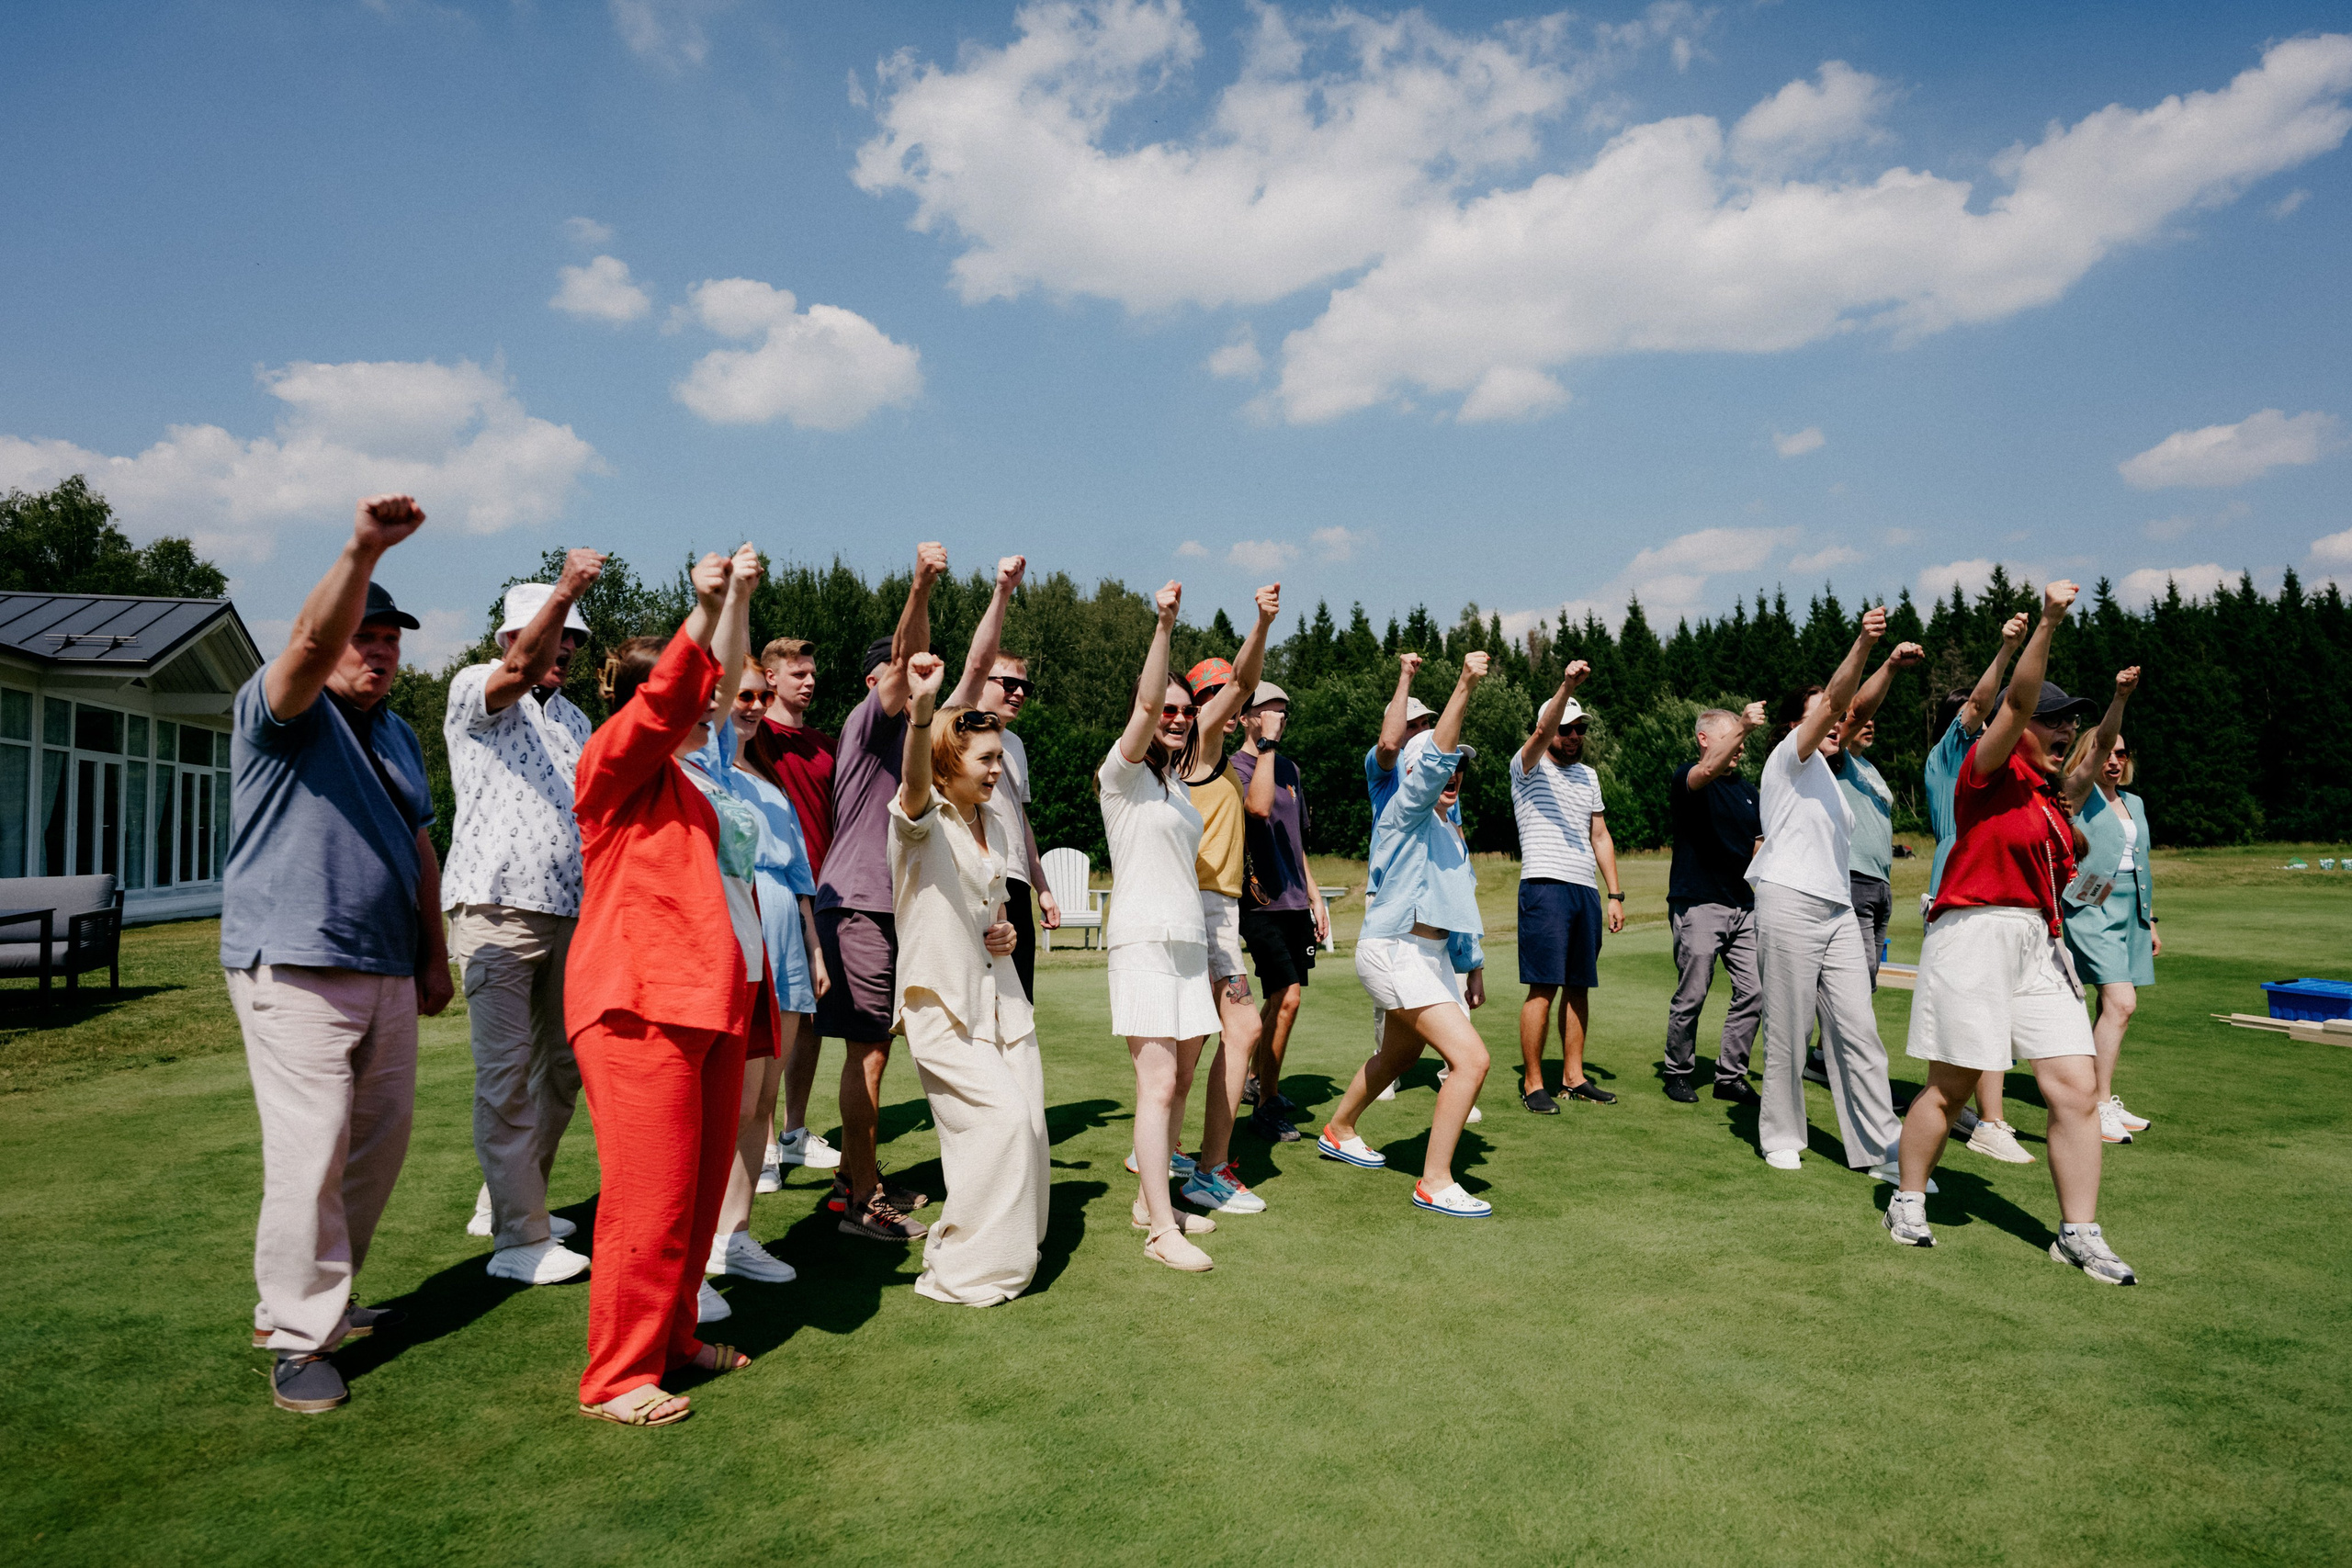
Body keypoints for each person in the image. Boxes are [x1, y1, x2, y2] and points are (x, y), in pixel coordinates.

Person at [225, 494, 452, 1416]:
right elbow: (312, 649)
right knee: (312, 1150)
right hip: (295, 963)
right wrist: (362, 551)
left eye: (391, 636)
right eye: (365, 633)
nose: (379, 649)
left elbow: (422, 845)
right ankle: (297, 1335)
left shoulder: (397, 731)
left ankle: (323, 1299)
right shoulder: (282, 705)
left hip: (386, 967)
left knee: (375, 1150)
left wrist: (432, 956)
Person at [567, 543, 770, 1426]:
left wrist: (735, 603)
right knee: (646, 1202)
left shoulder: (699, 782)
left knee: (689, 1197)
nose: (703, 712)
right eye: (684, 701)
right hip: (636, 1005)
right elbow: (673, 697)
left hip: (712, 1005)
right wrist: (702, 610)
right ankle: (616, 1376)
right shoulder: (610, 768)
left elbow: (711, 690)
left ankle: (675, 1339)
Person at [1889, 581, 2137, 1285]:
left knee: (2075, 1089)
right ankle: (1908, 1199)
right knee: (1951, 1090)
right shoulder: (1985, 771)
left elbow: (2097, 753)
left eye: (2070, 722)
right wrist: (2050, 621)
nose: (2064, 730)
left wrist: (2113, 706)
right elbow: (2020, 700)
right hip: (1971, 932)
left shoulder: (2052, 796)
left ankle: (2078, 1232)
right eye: (2054, 721)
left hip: (2038, 940)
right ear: (2016, 724)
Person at [817, 548, 1021, 1240]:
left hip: (900, 905)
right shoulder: (873, 722)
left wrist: (1001, 592)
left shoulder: (929, 730)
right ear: (881, 677)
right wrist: (921, 584)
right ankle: (856, 1198)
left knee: (885, 1048)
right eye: (906, 671)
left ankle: (856, 1176)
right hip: (863, 900)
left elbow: (976, 666)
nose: (922, 678)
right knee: (869, 1050)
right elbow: (914, 653)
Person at [444, 556, 604, 1288]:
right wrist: (567, 585)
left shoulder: (575, 718)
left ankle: (509, 1199)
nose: (564, 648)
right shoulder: (478, 686)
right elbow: (513, 674)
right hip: (496, 909)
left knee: (563, 1070)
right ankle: (519, 1238)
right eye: (554, 635)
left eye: (574, 638)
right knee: (506, 1075)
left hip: (570, 914)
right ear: (515, 635)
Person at [889, 652, 1051, 1304]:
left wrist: (1007, 930)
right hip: (944, 1003)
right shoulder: (920, 821)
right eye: (986, 759)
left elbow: (997, 913)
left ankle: (1013, 1254)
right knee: (1002, 1121)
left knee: (1030, 1125)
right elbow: (909, 784)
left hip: (1002, 995)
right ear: (948, 762)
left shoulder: (995, 822)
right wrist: (923, 710)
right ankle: (962, 1266)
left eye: (999, 758)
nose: (997, 769)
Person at [1317, 652, 1495, 1217]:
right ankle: (1434, 1181)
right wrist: (1465, 682)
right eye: (1444, 770)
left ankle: (1340, 1128)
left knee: (1399, 1055)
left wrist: (1471, 965)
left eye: (1458, 773)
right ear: (1420, 776)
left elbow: (1454, 905)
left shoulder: (1449, 830)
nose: (1453, 778)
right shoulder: (1404, 808)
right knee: (1472, 1061)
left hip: (1431, 955)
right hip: (1396, 950)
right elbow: (1430, 756)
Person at [691, 656, 832, 1305]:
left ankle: (736, 1233)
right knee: (736, 1099)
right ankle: (700, 1243)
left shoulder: (769, 779)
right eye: (736, 696)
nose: (746, 707)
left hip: (787, 932)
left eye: (754, 696)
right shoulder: (713, 764)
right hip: (737, 919)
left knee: (766, 1094)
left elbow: (803, 877)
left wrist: (814, 949)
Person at [1100, 581, 1232, 1271]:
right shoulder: (1118, 776)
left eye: (1186, 711)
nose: (1177, 718)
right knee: (1155, 1085)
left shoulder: (1178, 784)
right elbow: (1149, 700)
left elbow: (1231, 694)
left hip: (1186, 945)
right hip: (1144, 944)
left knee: (1179, 1081)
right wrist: (1163, 625)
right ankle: (1159, 1231)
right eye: (1168, 710)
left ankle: (1154, 1202)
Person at [1748, 606, 1906, 1181]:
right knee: (1788, 1031)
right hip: (1787, 900)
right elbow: (1843, 703)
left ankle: (1882, 1149)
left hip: (1837, 910)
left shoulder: (1837, 783)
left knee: (1859, 1032)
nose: (1837, 722)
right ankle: (1781, 1135)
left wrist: (1887, 665)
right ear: (1797, 724)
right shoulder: (1788, 758)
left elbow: (1855, 707)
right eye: (1822, 713)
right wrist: (1864, 644)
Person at [1152, 587, 1279, 1216]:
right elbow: (1246, 677)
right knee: (1242, 1026)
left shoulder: (1220, 762)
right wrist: (1260, 623)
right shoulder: (1195, 745)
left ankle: (1169, 1151)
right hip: (1203, 911)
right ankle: (1208, 1168)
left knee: (1192, 1042)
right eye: (1218, 695)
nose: (1233, 703)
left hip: (1217, 903)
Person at [1923, 613, 2032, 1162]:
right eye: (1981, 720)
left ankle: (1976, 1110)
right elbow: (1983, 703)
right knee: (1982, 1010)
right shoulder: (1950, 755)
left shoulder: (1994, 768)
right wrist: (2007, 649)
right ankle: (1990, 1121)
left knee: (1982, 1009)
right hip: (1961, 881)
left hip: (1982, 881)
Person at [1510, 662, 1623, 1113]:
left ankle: (1573, 1078)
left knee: (1578, 986)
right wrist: (1567, 687)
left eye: (1580, 730)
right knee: (1544, 986)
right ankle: (1533, 1083)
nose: (1574, 736)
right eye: (1567, 729)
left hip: (1584, 891)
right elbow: (1540, 732)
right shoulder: (1527, 766)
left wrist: (1614, 894)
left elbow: (1600, 835)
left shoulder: (1590, 776)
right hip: (1544, 886)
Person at [754, 636, 842, 1176]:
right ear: (769, 678)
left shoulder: (825, 744)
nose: (809, 682)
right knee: (767, 1016)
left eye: (812, 673)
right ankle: (760, 1143)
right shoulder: (750, 735)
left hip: (820, 897)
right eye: (797, 674)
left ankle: (793, 1131)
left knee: (808, 1015)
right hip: (765, 892)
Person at [2058, 669, 2154, 1145]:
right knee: (2122, 1002)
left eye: (2121, 753)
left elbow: (2141, 865)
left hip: (2129, 914)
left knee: (2108, 1004)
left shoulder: (2134, 803)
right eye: (2107, 751)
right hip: (2088, 909)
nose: (2114, 759)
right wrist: (2119, 697)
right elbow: (2099, 743)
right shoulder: (2077, 796)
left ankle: (2105, 1096)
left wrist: (2150, 921)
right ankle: (2095, 1107)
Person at [1233, 682, 1330, 1143]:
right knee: (1287, 995)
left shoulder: (1291, 767)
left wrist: (1315, 895)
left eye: (1285, 713)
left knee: (1281, 999)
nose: (1281, 720)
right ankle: (1267, 1104)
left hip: (1294, 901)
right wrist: (1266, 747)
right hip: (1258, 901)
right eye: (1271, 712)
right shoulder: (1233, 766)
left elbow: (1297, 841)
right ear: (1248, 716)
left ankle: (1259, 1081)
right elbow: (1258, 807)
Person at [1662, 702, 1768, 1105]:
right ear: (1704, 739)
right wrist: (1744, 725)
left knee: (1753, 992)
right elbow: (1705, 772)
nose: (1739, 747)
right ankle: (1678, 1071)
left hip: (1744, 905)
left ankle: (1730, 1076)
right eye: (1731, 737)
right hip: (1699, 904)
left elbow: (1758, 847)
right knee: (1693, 994)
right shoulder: (1688, 777)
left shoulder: (1747, 791)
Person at [972, 648, 1061, 1005]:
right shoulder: (956, 730)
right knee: (982, 997)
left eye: (1025, 686)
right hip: (976, 876)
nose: (1019, 693)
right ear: (980, 680)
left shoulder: (1016, 745)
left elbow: (1019, 819)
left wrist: (1042, 888)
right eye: (1009, 683)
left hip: (1017, 880)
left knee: (1019, 999)